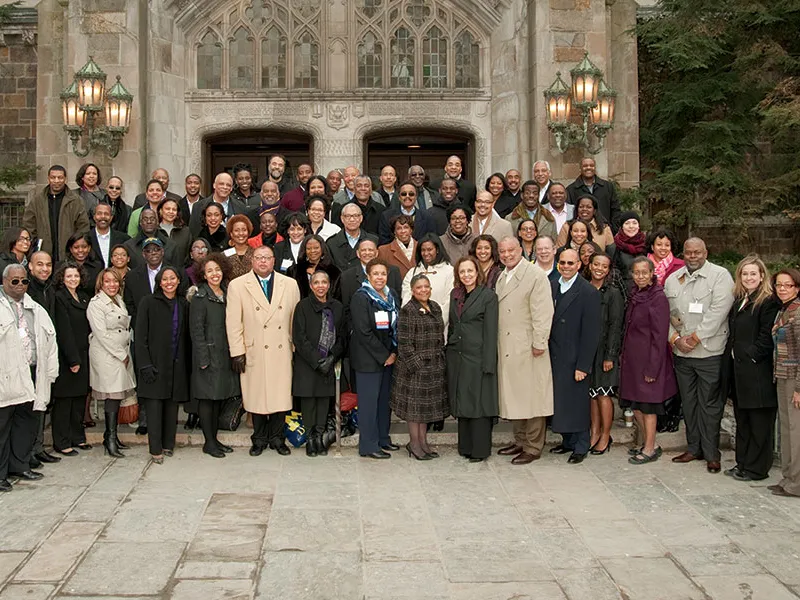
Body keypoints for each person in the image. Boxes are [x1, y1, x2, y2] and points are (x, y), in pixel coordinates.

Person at [665, 237, 734, 474]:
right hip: (682, 354)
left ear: (706, 252)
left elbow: (719, 311)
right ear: (682, 253)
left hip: (709, 352)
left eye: (697, 252)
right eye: (688, 252)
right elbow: (664, 313)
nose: (693, 256)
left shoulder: (720, 276)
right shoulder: (673, 279)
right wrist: (675, 339)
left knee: (710, 405)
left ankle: (712, 453)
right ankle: (694, 448)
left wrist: (695, 338)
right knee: (689, 403)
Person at [226, 245, 300, 457]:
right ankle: (258, 438)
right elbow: (233, 322)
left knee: (280, 396)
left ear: (274, 260)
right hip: (253, 349)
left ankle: (277, 437)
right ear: (252, 261)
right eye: (258, 258)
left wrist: (295, 348)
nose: (263, 262)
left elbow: (295, 319)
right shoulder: (238, 285)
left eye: (267, 258)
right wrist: (237, 351)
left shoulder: (290, 284)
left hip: (281, 348)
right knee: (256, 396)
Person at [495, 237, 554, 465]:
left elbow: (543, 312)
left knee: (533, 397)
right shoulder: (503, 275)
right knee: (514, 396)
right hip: (509, 345)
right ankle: (519, 440)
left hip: (528, 346)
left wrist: (539, 342)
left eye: (511, 250)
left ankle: (533, 445)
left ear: (521, 250)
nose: (507, 254)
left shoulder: (535, 275)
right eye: (502, 251)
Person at [0, 264, 58, 491]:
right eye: (15, 281)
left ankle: (20, 465)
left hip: (32, 372)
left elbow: (50, 340)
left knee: (26, 422)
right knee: (3, 427)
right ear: (5, 281)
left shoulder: (35, 308)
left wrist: (51, 371)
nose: (20, 285)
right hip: (7, 375)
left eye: (24, 281)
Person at [722, 255, 780, 481]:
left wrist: (750, 357)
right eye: (744, 274)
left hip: (757, 373)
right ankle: (742, 463)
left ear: (762, 276)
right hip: (740, 373)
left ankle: (757, 469)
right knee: (743, 421)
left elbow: (767, 337)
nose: (748, 277)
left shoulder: (768, 302)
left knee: (759, 424)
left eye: (753, 273)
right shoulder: (740, 300)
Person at [619, 257, 677, 464]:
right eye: (637, 273)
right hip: (632, 362)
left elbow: (660, 335)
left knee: (649, 406)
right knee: (635, 405)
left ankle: (651, 448)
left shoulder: (658, 298)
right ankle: (647, 442)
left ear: (652, 273)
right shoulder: (636, 293)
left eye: (644, 272)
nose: (640, 276)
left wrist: (653, 368)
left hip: (649, 361)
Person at [548, 248, 601, 464]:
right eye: (563, 263)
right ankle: (567, 441)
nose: (566, 267)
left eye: (571, 263)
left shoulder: (588, 292)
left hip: (575, 356)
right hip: (555, 354)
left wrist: (583, 365)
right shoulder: (552, 286)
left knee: (577, 403)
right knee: (560, 402)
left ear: (579, 265)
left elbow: (592, 333)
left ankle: (581, 445)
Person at [135, 267, 191, 464]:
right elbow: (140, 337)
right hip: (154, 364)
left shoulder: (183, 303)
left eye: (172, 278)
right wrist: (145, 365)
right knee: (154, 410)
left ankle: (169, 444)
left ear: (178, 281)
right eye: (165, 279)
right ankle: (155, 449)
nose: (169, 282)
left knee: (171, 408)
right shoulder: (148, 302)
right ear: (159, 282)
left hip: (176, 364)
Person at [447, 256, 499, 462]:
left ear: (478, 272)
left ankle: (479, 449)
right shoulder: (455, 294)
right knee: (463, 403)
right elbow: (453, 324)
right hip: (457, 356)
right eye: (462, 272)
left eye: (470, 271)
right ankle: (465, 446)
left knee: (478, 404)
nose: (466, 275)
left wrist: (488, 363)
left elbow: (491, 330)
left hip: (478, 357)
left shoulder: (488, 296)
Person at [391, 273, 448, 460]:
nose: (423, 290)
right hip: (413, 369)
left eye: (426, 286)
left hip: (434, 368)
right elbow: (404, 344)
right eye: (419, 287)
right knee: (414, 411)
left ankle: (423, 442)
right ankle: (414, 444)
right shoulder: (408, 310)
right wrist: (418, 366)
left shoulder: (435, 307)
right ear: (413, 291)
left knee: (424, 411)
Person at [189, 254, 241, 459]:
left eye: (217, 270)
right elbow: (196, 331)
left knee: (219, 397)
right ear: (203, 274)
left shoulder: (228, 293)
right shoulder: (200, 297)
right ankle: (208, 442)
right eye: (209, 271)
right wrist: (203, 359)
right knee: (207, 400)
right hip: (208, 356)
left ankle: (214, 438)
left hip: (225, 354)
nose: (214, 274)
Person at [291, 270, 346, 457]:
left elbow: (343, 336)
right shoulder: (303, 306)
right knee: (309, 401)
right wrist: (317, 360)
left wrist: (331, 358)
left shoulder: (337, 307)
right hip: (308, 363)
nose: (320, 286)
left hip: (329, 363)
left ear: (329, 285)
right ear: (311, 285)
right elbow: (299, 337)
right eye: (316, 283)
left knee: (324, 401)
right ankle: (310, 439)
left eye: (324, 282)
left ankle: (320, 436)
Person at [349, 258, 400, 459]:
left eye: (383, 274)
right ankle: (368, 445)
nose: (380, 277)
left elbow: (395, 325)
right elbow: (364, 332)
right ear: (368, 276)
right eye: (376, 274)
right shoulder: (361, 298)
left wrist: (394, 352)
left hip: (389, 357)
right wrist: (384, 355)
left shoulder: (391, 295)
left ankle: (382, 439)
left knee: (383, 401)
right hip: (369, 360)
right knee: (369, 404)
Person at [87, 268, 136, 458]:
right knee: (112, 396)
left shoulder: (118, 300)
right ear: (101, 283)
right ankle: (109, 439)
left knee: (116, 397)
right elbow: (101, 333)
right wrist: (120, 354)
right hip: (107, 355)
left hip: (120, 352)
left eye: (115, 281)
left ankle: (111, 436)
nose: (112, 285)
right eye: (107, 281)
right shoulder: (96, 304)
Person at [50, 263, 91, 456]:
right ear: (61, 278)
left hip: (84, 354)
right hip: (68, 358)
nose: (73, 279)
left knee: (79, 400)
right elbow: (64, 331)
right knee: (64, 402)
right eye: (69, 276)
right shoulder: (60, 298)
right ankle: (62, 441)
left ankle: (78, 437)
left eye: (76, 276)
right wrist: (73, 360)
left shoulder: (83, 297)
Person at [586, 252, 624, 455]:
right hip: (588, 351)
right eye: (596, 264)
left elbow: (616, 325)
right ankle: (594, 432)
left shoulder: (613, 293)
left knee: (604, 394)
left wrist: (610, 355)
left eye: (604, 266)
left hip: (605, 352)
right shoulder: (584, 288)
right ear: (590, 265)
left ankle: (605, 435)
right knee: (592, 394)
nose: (599, 268)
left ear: (609, 270)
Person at [770, 268, 800, 497]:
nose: (782, 289)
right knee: (786, 431)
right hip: (781, 376)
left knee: (795, 431)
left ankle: (796, 482)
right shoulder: (783, 311)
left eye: (787, 285)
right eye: (779, 285)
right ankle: (788, 477)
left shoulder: (797, 314)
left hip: (794, 379)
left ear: (797, 288)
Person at [23, 165, 89, 262]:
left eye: (60, 177)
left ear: (65, 179)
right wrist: (35, 246)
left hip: (68, 255)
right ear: (48, 179)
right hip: (43, 255)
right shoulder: (37, 200)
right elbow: (29, 225)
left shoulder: (75, 201)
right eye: (53, 177)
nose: (56, 181)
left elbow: (83, 226)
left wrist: (75, 247)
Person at [339, 239, 403, 319]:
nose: (367, 253)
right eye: (363, 250)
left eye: (370, 250)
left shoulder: (393, 271)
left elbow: (398, 301)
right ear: (358, 254)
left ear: (376, 253)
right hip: (360, 325)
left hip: (391, 325)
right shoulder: (347, 276)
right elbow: (346, 308)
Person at [401, 234, 454, 329]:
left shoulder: (449, 271)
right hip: (414, 328)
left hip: (438, 328)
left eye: (429, 249)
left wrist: (435, 323)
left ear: (437, 250)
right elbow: (406, 298)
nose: (426, 253)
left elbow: (448, 302)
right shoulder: (412, 272)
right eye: (423, 250)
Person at [566, 157, 621, 229]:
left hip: (604, 231)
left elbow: (615, 210)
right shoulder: (571, 190)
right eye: (585, 166)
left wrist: (613, 229)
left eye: (591, 165)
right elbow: (570, 214)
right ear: (580, 169)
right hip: (581, 233)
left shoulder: (608, 187)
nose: (588, 168)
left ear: (595, 168)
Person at [189, 172, 246, 238]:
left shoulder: (241, 207)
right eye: (221, 184)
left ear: (231, 188)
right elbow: (193, 233)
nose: (225, 187)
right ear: (214, 185)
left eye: (228, 185)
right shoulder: (198, 207)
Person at [326, 203, 378, 272]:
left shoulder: (373, 240)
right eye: (348, 216)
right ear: (342, 219)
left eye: (356, 216)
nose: (352, 219)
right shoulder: (332, 243)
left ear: (361, 218)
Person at [288, 234, 342, 299]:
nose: (312, 251)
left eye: (316, 248)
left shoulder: (334, 272)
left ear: (322, 249)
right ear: (304, 250)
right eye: (308, 248)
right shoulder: (293, 271)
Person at [62, 232, 103, 299]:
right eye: (76, 247)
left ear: (89, 248)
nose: (80, 250)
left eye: (84, 247)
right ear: (70, 249)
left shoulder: (98, 266)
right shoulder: (62, 266)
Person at [89, 202, 130, 268]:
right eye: (99, 214)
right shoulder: (86, 238)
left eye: (106, 214)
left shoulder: (124, 239)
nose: (103, 216)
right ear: (94, 217)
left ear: (111, 217)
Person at [377, 214, 417, 279]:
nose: (403, 231)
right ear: (394, 232)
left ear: (411, 230)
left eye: (406, 227)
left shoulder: (421, 247)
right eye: (399, 228)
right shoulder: (383, 250)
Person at [614, 211, 647, 291]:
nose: (631, 226)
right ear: (622, 227)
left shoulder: (647, 245)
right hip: (623, 291)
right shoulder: (615, 246)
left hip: (645, 290)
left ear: (639, 226)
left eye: (634, 223)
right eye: (627, 223)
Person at [224, 214, 255, 279]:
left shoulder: (256, 253)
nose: (241, 233)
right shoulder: (224, 255)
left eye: (244, 230)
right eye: (236, 230)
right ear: (231, 234)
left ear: (248, 232)